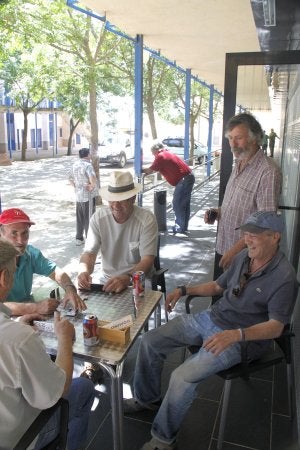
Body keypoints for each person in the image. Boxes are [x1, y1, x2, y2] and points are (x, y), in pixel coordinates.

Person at [123, 211, 298, 450]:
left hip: (241, 340)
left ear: (275, 237)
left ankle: (163, 439)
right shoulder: (244, 257)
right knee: (150, 340)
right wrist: (184, 290)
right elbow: (217, 286)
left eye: (254, 235)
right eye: (246, 234)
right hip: (211, 318)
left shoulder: (284, 277)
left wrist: (236, 335)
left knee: (182, 377)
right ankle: (147, 399)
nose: (247, 240)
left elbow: (276, 327)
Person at [0, 238, 95, 450]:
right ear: (4, 278)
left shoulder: (16, 334)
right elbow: (59, 389)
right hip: (19, 440)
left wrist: (16, 322)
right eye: (13, 273)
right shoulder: (19, 339)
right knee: (84, 388)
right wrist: (64, 341)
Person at [204, 112, 282, 278]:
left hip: (244, 256)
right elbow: (239, 203)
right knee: (219, 298)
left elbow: (265, 224)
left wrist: (235, 251)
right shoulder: (239, 162)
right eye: (230, 138)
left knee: (234, 300)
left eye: (238, 138)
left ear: (255, 138)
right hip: (224, 245)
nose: (233, 144)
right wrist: (218, 211)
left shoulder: (268, 171)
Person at [77, 170, 158, 294]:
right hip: (107, 279)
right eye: (111, 200)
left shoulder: (146, 219)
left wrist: (128, 278)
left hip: (138, 278)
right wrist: (84, 271)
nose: (115, 205)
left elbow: (147, 260)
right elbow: (89, 253)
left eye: (121, 200)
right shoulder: (98, 218)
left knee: (138, 311)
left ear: (132, 198)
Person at [0, 208, 86, 315]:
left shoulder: (30, 253)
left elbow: (56, 272)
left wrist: (70, 289)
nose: (20, 241)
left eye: (25, 233)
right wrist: (34, 308)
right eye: (14, 233)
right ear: (1, 234)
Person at [142, 140, 195, 235]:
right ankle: (183, 226)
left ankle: (180, 228)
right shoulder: (167, 153)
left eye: (152, 153)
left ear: (155, 150)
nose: (153, 155)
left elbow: (150, 170)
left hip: (183, 180)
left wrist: (139, 169)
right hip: (188, 177)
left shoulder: (160, 156)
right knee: (184, 204)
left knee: (177, 203)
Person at [68, 147, 98, 246]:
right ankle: (90, 239)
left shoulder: (75, 165)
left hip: (78, 196)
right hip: (87, 196)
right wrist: (92, 186)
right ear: (88, 155)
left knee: (80, 217)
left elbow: (69, 178)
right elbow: (92, 177)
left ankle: (79, 238)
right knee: (89, 218)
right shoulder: (88, 165)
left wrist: (76, 186)